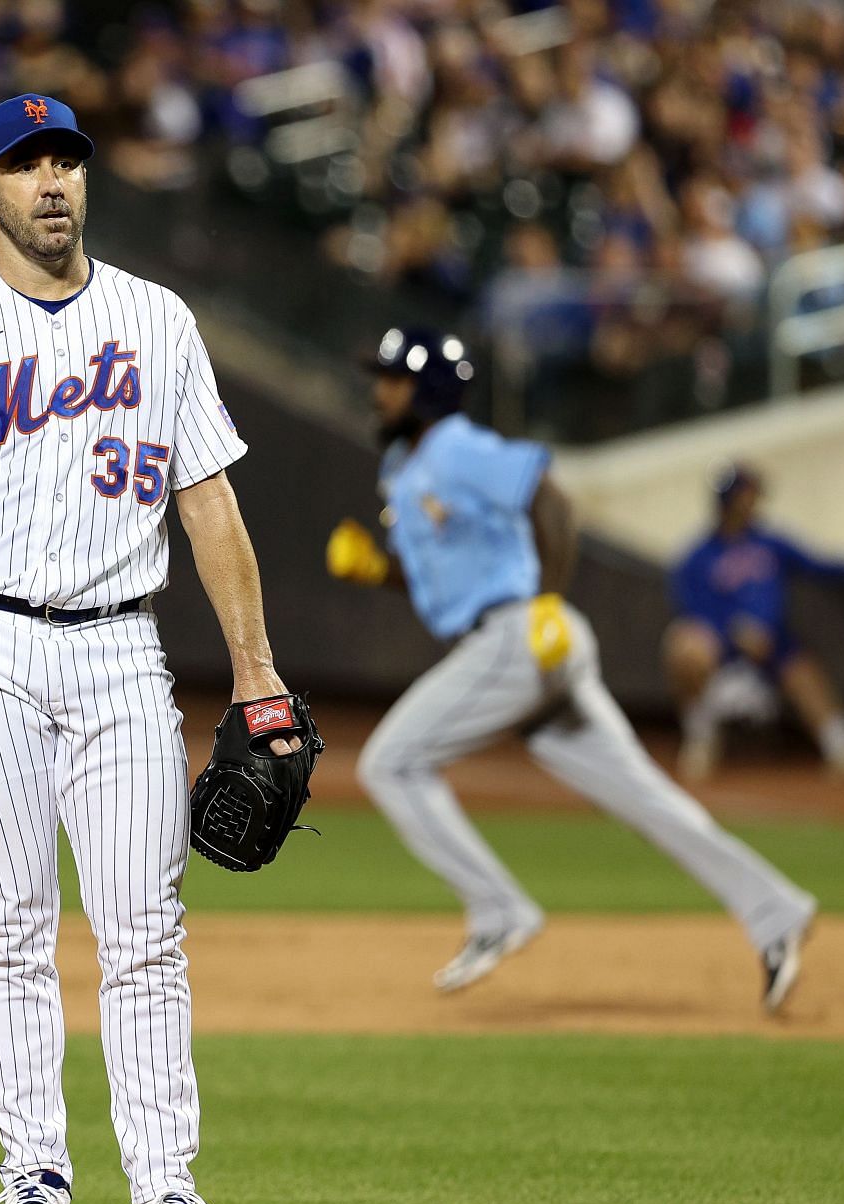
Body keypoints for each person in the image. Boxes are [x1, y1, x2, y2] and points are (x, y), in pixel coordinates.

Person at [0, 92, 298, 1204]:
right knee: (11, 928)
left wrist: (254, 669)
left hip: (118, 648)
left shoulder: (158, 322)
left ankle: (167, 1193)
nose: (53, 181)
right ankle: (34, 1174)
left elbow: (209, 505)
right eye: (25, 164)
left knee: (146, 932)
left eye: (67, 161)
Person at [325, 327, 816, 1011]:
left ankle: (498, 911)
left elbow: (552, 502)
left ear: (427, 390)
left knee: (391, 763)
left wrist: (548, 600)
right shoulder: (404, 471)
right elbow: (444, 579)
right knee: (645, 798)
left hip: (522, 635)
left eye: (393, 379)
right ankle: (776, 910)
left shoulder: (457, 447)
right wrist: (381, 572)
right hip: (515, 643)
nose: (379, 390)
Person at [664, 464, 844, 781]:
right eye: (746, 494)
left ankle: (842, 747)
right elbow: (693, 610)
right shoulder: (697, 556)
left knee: (801, 669)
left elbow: (820, 565)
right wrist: (734, 633)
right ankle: (702, 739)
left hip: (771, 645)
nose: (752, 502)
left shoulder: (770, 543)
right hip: (724, 650)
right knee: (685, 645)